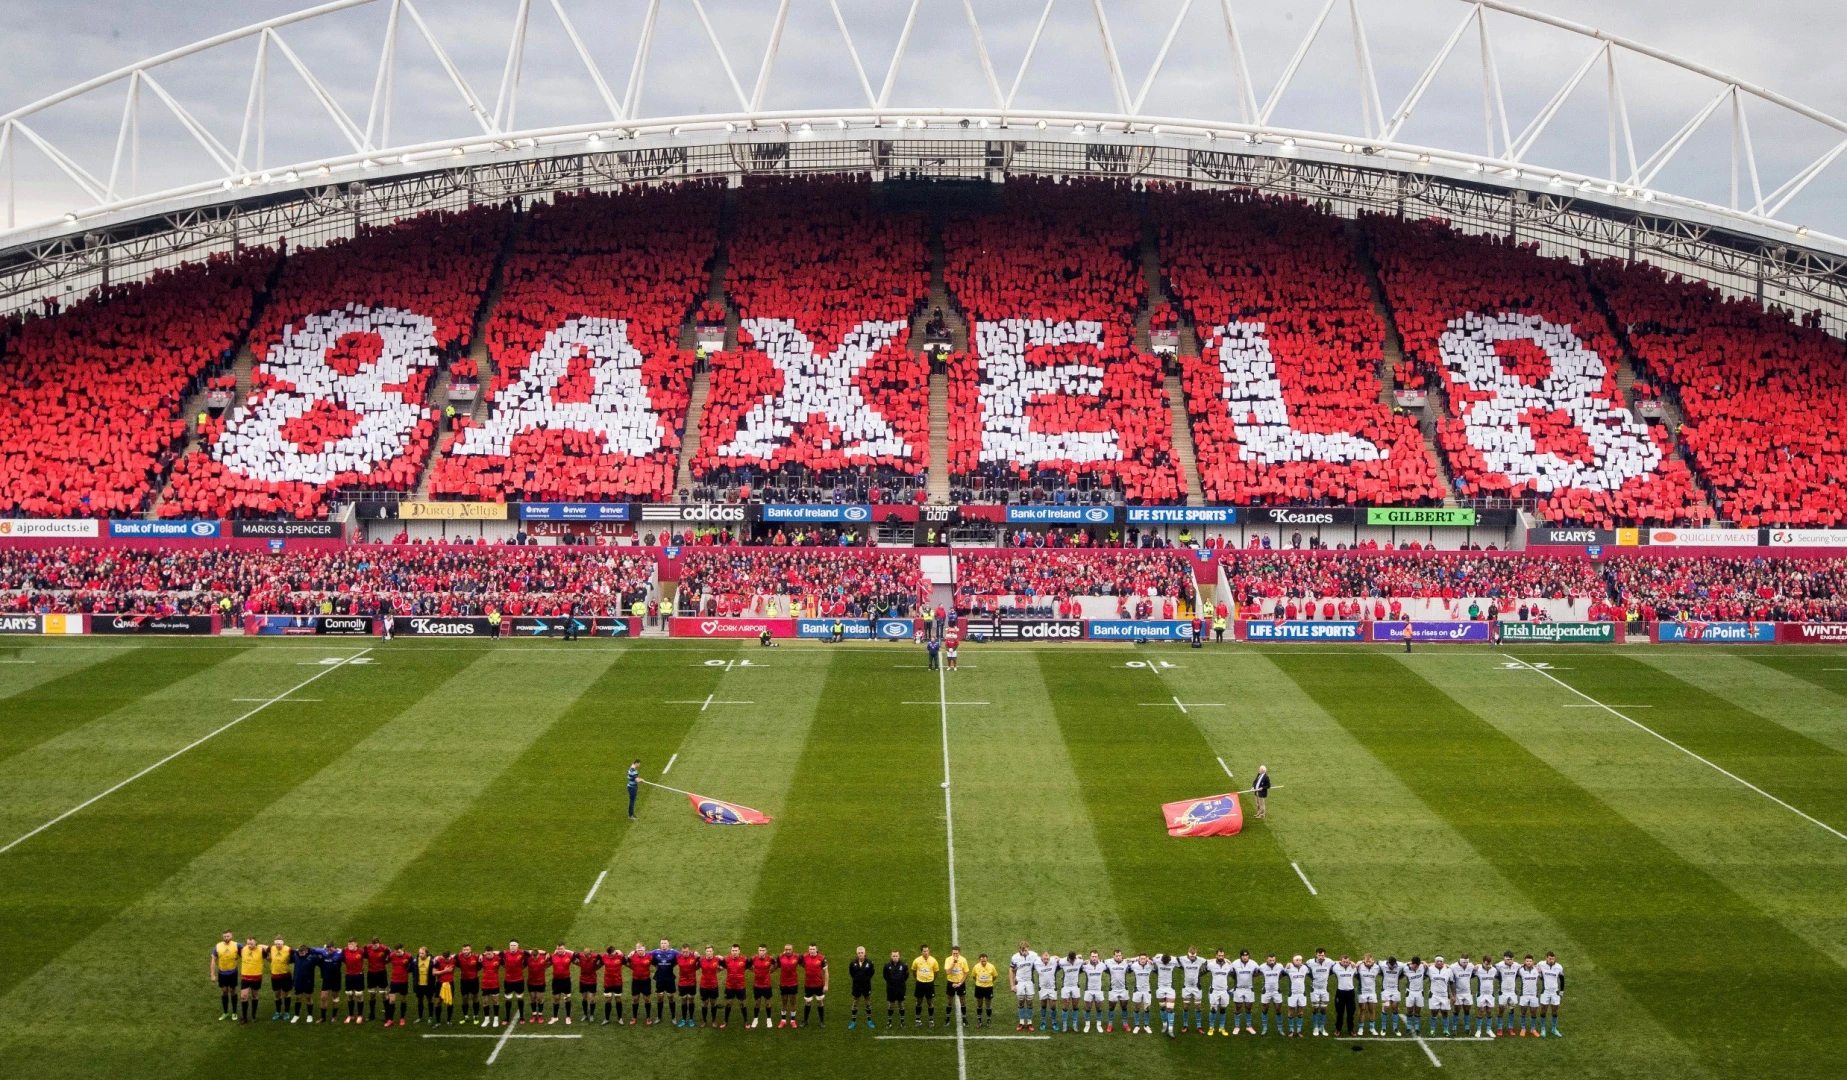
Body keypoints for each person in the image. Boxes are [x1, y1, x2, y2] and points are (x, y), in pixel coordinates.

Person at [1008, 942, 1038, 1031]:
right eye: (1024, 950)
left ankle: (1029, 1022)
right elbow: (1011, 971)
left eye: (1027, 949)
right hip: (1020, 982)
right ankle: (1021, 1022)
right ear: (1020, 950)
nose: (1026, 952)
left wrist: (1055, 958)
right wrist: (1012, 985)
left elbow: (1043, 960)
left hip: (1029, 981)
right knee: (1021, 1002)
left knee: (1029, 1002)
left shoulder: (1033, 955)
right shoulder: (1015, 957)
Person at [210, 932, 240, 1020]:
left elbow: (245, 954)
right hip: (222, 973)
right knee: (224, 991)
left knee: (233, 991)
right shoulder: (218, 946)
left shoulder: (237, 945)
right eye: (224, 936)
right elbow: (213, 960)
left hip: (233, 973)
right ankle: (225, 1012)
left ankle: (234, 1012)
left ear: (231, 936)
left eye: (228, 936)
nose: (226, 938)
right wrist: (212, 974)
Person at [236, 936, 265, 1023]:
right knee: (243, 996)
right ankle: (244, 1017)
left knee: (254, 996)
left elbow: (269, 958)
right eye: (248, 943)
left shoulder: (261, 950)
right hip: (245, 977)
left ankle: (253, 1016)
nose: (249, 945)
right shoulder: (243, 950)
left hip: (256, 977)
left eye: (251, 944)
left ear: (256, 943)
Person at [1177, 947, 1205, 1034]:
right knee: (1186, 1006)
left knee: (1198, 1007)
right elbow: (1173, 958)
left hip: (1197, 987)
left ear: (1196, 954)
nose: (1192, 957)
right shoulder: (1183, 959)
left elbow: (1210, 961)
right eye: (1191, 956)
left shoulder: (1200, 960)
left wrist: (1225, 959)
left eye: (1194, 956)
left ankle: (1199, 1026)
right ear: (1188, 954)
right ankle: (1185, 1025)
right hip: (1187, 987)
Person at [1305, 948, 1333, 1036]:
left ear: (1325, 955)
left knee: (1324, 1009)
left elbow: (1338, 964)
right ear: (1316, 954)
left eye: (1322, 955)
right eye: (1319, 955)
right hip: (1315, 989)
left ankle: (1322, 1027)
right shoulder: (1310, 962)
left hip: (1325, 989)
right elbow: (1303, 967)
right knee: (1315, 1008)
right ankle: (1315, 1027)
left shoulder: (1329, 962)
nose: (1321, 957)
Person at [1204, 949, 1233, 1035]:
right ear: (1216, 955)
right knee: (1213, 1009)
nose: (1221, 957)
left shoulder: (1228, 965)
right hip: (1214, 990)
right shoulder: (1211, 965)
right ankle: (1211, 1028)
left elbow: (1235, 975)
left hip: (1224, 991)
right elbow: (1203, 967)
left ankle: (1221, 1028)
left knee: (1223, 1009)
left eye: (1222, 956)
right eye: (1219, 955)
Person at [911, 945, 940, 1027]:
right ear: (921, 952)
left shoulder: (933, 961)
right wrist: (917, 978)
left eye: (927, 951)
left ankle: (931, 1019)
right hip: (920, 983)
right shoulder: (916, 960)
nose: (926, 953)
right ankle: (918, 1019)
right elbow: (913, 971)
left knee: (929, 1001)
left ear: (929, 951)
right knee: (919, 1001)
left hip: (929, 984)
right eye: (924, 951)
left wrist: (932, 980)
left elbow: (936, 972)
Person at [1230, 948, 1258, 1034]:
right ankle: (1237, 1026)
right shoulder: (1235, 963)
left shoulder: (1253, 963)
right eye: (1243, 955)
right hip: (1238, 989)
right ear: (1240, 956)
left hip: (1249, 989)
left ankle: (1249, 1026)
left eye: (1246, 955)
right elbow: (1230, 972)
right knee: (1238, 1007)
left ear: (1248, 956)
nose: (1245, 957)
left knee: (1248, 1007)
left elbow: (1259, 971)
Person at [847, 946, 876, 1029]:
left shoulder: (870, 963)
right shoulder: (853, 963)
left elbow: (872, 973)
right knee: (855, 1001)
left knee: (867, 1001)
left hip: (866, 986)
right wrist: (857, 979)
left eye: (862, 953)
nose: (860, 954)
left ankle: (869, 1020)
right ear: (857, 954)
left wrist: (866, 979)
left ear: (865, 953)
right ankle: (853, 1021)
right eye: (859, 953)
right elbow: (851, 973)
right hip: (856, 986)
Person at [1537, 951, 1564, 1038]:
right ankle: (1543, 1028)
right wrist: (1539, 974)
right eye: (1550, 958)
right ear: (1546, 958)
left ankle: (1554, 1028)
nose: (1551, 960)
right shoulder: (1541, 964)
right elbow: (1534, 968)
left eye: (1553, 958)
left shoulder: (1559, 967)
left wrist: (1562, 991)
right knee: (1543, 1010)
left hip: (1555, 992)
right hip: (1545, 991)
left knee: (1555, 1010)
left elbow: (1562, 979)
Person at [801, 943, 828, 1027]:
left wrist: (826, 985)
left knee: (820, 1002)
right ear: (808, 950)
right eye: (810, 949)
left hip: (818, 985)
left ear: (816, 949)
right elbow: (800, 962)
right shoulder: (804, 957)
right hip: (808, 985)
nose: (812, 951)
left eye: (813, 949)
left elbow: (826, 973)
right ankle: (805, 1020)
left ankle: (822, 1021)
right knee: (807, 1002)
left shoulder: (822, 958)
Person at [774, 944, 801, 1028]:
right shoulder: (780, 957)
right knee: (784, 1001)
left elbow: (805, 965)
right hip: (783, 983)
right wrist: (768, 972)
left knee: (793, 1001)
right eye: (786, 949)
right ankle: (783, 1020)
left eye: (789, 949)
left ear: (792, 950)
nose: (788, 951)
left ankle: (793, 1020)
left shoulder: (797, 957)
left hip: (793, 983)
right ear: (784, 949)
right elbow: (775, 966)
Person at [1257, 952, 1285, 1036]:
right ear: (1267, 959)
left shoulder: (1280, 966)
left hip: (1277, 991)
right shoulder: (1262, 967)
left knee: (1278, 1009)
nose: (1272, 962)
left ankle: (1280, 1029)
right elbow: (1255, 973)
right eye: (1270, 960)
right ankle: (1264, 1028)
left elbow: (1284, 973)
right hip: (1266, 991)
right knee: (1265, 1009)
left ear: (1275, 959)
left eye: (1273, 960)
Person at [1103, 949, 1130, 1032]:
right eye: (1116, 956)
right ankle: (1110, 1024)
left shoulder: (1126, 962)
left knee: (1124, 1006)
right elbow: (1098, 961)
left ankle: (1125, 1024)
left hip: (1123, 989)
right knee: (1111, 1007)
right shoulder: (1108, 962)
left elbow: (1138, 960)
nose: (1118, 957)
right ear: (1113, 956)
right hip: (1113, 989)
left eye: (1119, 955)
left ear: (1122, 956)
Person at [1153, 952, 1180, 1036]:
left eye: (1166, 963)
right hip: (1160, 988)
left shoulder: (1173, 961)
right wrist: (1157, 955)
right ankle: (1164, 1025)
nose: (1165, 964)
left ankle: (1170, 1029)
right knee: (1162, 1008)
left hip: (1170, 988)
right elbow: (1148, 959)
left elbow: (1180, 960)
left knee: (1170, 1009)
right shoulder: (1157, 960)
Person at [748, 944, 774, 1028]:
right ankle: (755, 1019)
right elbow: (747, 965)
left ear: (766, 951)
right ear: (758, 951)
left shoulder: (770, 958)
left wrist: (771, 971)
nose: (761, 952)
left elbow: (777, 964)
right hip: (757, 985)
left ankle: (769, 1019)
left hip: (767, 985)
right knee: (757, 1003)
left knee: (767, 1003)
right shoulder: (753, 958)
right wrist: (754, 970)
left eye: (763, 950)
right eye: (760, 950)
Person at [721, 945, 748, 1028]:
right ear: (731, 951)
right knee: (728, 1004)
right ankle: (725, 1021)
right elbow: (719, 966)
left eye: (736, 950)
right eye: (733, 950)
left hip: (740, 987)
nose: (734, 952)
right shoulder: (726, 960)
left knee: (742, 1004)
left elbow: (751, 967)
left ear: (739, 951)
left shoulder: (745, 960)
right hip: (730, 986)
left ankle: (746, 1021)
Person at [1129, 953, 1156, 1034]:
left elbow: (1157, 970)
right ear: (1139, 959)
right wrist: (1132, 960)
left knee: (1147, 1008)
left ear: (1146, 959)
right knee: (1137, 1008)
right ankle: (1137, 1025)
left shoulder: (1150, 965)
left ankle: (1146, 1025)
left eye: (1144, 958)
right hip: (1137, 990)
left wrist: (1152, 962)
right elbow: (1128, 970)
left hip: (1147, 990)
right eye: (1141, 958)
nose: (1143, 960)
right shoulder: (1134, 965)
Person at [267, 937, 293, 1021]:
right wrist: (270, 960)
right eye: (276, 944)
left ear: (283, 944)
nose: (277, 945)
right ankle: (278, 1012)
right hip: (275, 975)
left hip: (286, 975)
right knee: (277, 994)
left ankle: (287, 1012)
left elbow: (294, 956)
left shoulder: (288, 949)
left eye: (279, 944)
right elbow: (265, 952)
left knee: (286, 994)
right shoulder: (272, 948)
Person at [502, 941, 528, 1025]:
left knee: (520, 998)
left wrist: (546, 953)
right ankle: (507, 1018)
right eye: (511, 945)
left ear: (517, 947)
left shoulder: (522, 953)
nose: (512, 947)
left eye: (514, 945)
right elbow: (495, 954)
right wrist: (482, 954)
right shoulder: (505, 953)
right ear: (509, 946)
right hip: (508, 981)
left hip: (519, 980)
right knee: (508, 999)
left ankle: (521, 1017)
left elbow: (532, 954)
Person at [1081, 950, 1107, 1032]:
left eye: (1095, 956)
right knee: (1088, 1008)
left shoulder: (1102, 965)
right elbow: (1076, 968)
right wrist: (1082, 962)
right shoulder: (1085, 966)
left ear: (1098, 957)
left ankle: (1099, 1025)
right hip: (1088, 990)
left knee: (1099, 1008)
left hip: (1099, 990)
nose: (1094, 958)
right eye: (1092, 956)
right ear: (1090, 957)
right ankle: (1087, 1025)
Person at [882, 950, 909, 1028]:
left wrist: (900, 982)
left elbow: (906, 976)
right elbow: (885, 976)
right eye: (893, 956)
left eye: (896, 956)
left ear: (899, 956)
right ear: (891, 956)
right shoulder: (887, 966)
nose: (895, 957)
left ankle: (902, 1022)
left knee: (901, 1005)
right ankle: (889, 1021)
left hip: (901, 989)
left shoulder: (904, 965)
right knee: (891, 1005)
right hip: (891, 989)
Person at [675, 943, 699, 1027]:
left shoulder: (694, 957)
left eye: (686, 951)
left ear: (690, 950)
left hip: (692, 983)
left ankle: (691, 1019)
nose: (684, 953)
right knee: (683, 1000)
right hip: (682, 983)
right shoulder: (678, 957)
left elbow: (701, 963)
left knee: (691, 1000)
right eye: (683, 952)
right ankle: (683, 1019)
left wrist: (694, 969)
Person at [943, 946, 968, 1028]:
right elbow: (948, 972)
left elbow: (966, 973)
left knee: (962, 1001)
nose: (955, 955)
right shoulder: (948, 959)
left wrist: (960, 983)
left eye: (956, 953)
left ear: (959, 953)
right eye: (954, 953)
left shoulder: (963, 960)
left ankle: (964, 1019)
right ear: (952, 953)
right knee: (949, 1001)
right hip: (950, 982)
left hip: (960, 983)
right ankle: (947, 1018)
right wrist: (954, 963)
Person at [1284, 954, 1309, 1037]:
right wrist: (1287, 964)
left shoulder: (1305, 968)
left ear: (1302, 961)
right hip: (1292, 993)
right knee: (1291, 1011)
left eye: (1300, 960)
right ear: (1293, 960)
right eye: (1296, 960)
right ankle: (1291, 1030)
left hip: (1302, 993)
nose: (1298, 961)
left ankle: (1299, 1030)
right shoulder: (1289, 968)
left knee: (1300, 1012)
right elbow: (1281, 971)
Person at [601, 944, 627, 1025]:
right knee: (608, 1000)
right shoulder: (604, 956)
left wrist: (622, 953)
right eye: (609, 954)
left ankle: (619, 1018)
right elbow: (598, 963)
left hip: (617, 982)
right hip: (608, 982)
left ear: (615, 951)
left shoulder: (620, 957)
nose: (610, 956)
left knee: (618, 999)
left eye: (611, 954)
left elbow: (627, 961)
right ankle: (607, 1018)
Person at [1355, 953, 1380, 1035]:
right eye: (1366, 961)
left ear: (1373, 961)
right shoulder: (1360, 966)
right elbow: (1354, 969)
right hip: (1362, 992)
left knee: (1372, 1010)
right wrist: (1359, 963)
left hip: (1372, 992)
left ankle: (1372, 1028)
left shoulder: (1377, 967)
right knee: (1362, 1009)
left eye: (1370, 961)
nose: (1368, 962)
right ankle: (1361, 1028)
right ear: (1364, 960)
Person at [971, 952, 998, 1029]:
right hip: (979, 987)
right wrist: (980, 982)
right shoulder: (976, 967)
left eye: (985, 961)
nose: (983, 962)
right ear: (979, 960)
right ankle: (979, 1021)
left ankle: (988, 1020)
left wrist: (989, 982)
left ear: (987, 960)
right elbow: (974, 976)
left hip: (988, 987)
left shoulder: (991, 967)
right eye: (982, 961)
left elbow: (995, 976)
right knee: (979, 1004)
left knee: (988, 1004)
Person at [1332, 953, 1357, 1036]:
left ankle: (1350, 1030)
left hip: (1350, 992)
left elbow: (1363, 962)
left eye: (1347, 962)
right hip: (1340, 992)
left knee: (1351, 1013)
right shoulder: (1336, 967)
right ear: (1340, 961)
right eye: (1343, 961)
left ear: (1349, 961)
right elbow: (1330, 962)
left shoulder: (1353, 967)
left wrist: (1352, 963)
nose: (1345, 963)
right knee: (1339, 1013)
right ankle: (1338, 1029)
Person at [696, 946, 721, 1027]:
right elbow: (696, 968)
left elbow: (724, 966)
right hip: (704, 986)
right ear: (705, 952)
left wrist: (718, 970)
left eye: (710, 951)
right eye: (707, 951)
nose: (709, 953)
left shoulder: (717, 960)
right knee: (705, 1003)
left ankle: (714, 1020)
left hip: (714, 986)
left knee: (713, 1003)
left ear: (713, 952)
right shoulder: (701, 960)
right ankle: (704, 1020)